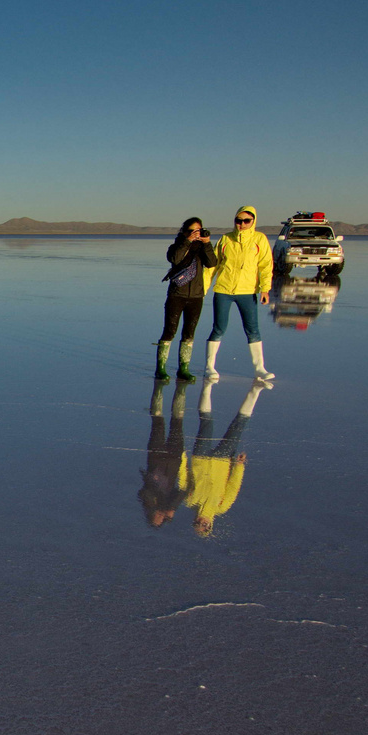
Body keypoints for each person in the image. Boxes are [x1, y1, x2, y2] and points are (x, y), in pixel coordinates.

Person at [183, 377, 268, 536]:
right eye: (205, 525)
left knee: (206, 421)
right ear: (210, 525)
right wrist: (239, 466)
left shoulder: (190, 501)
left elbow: (183, 477)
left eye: (197, 523)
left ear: (194, 520)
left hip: (200, 457)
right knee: (238, 425)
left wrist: (182, 457)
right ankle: (256, 390)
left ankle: (207, 385)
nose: (202, 521)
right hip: (223, 460)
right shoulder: (221, 506)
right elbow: (233, 486)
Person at [204, 205, 274, 381]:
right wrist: (203, 288)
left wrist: (265, 289)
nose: (241, 224)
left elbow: (266, 265)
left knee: (252, 330)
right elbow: (212, 265)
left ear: (253, 221)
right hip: (223, 290)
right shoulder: (226, 239)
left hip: (247, 291)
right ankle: (209, 367)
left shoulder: (259, 239)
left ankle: (260, 369)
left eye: (246, 221)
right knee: (219, 328)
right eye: (238, 220)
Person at [156, 217, 217, 380]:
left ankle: (184, 369)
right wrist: (187, 241)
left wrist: (207, 243)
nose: (195, 233)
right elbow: (175, 258)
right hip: (177, 295)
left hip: (196, 296)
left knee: (189, 333)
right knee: (170, 330)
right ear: (184, 232)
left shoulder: (202, 248)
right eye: (192, 231)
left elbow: (212, 263)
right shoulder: (177, 246)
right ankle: (160, 368)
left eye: (198, 230)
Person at [138, 381, 191, 527]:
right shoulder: (168, 503)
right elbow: (182, 492)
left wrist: (156, 507)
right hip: (174, 459)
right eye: (160, 519)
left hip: (156, 456)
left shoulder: (147, 501)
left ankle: (158, 387)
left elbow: (147, 491)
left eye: (156, 517)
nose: (159, 515)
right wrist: (172, 508)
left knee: (158, 422)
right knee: (177, 422)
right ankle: (181, 389)